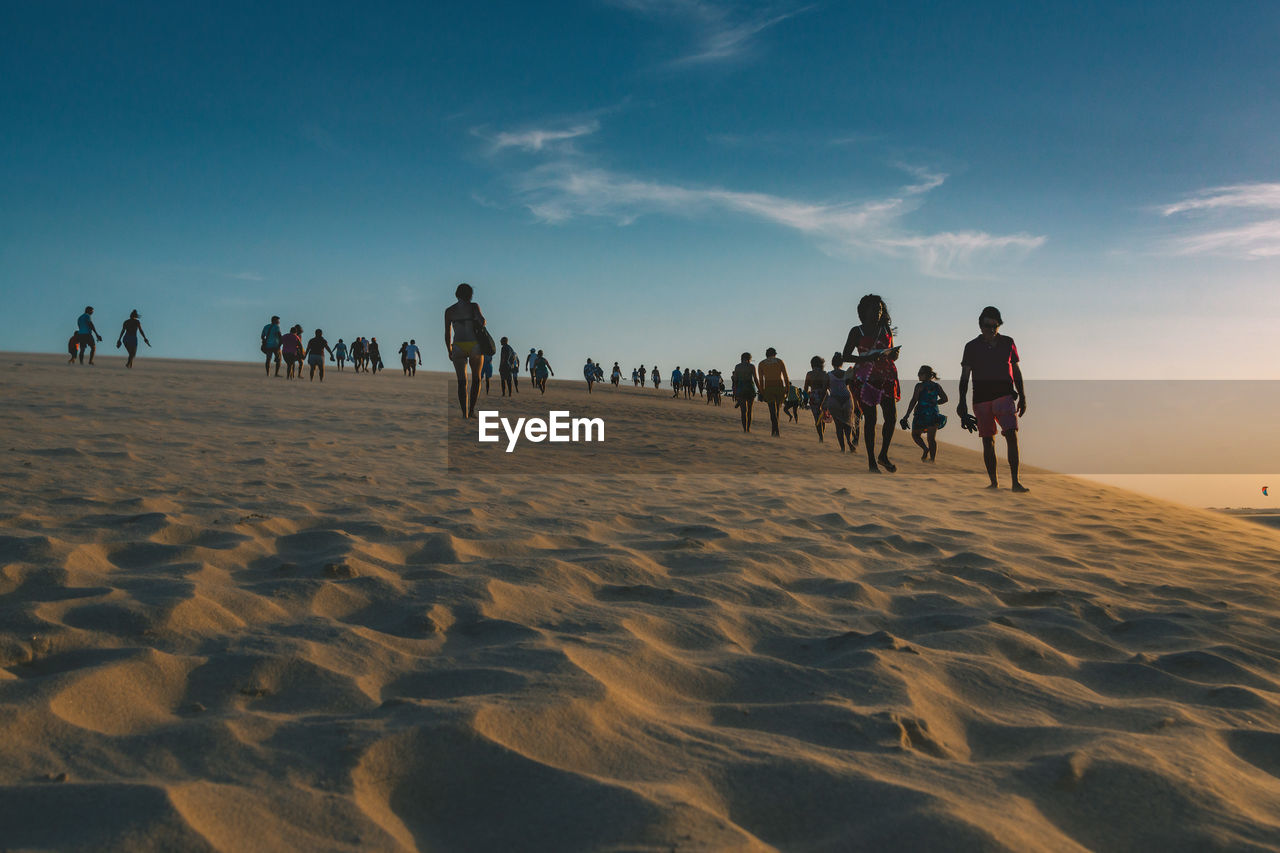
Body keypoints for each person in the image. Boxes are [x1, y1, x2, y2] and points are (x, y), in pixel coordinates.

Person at [958, 306, 1028, 491]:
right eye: (987, 326)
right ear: (980, 326)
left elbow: (1016, 370)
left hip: (1004, 395)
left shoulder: (1008, 342)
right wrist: (961, 402)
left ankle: (1015, 482)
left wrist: (1022, 395)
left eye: (995, 326)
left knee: (1011, 435)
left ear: (999, 325)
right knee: (988, 440)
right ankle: (994, 483)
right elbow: (965, 376)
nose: (991, 329)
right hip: (981, 398)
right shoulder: (971, 347)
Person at [843, 294, 901, 473]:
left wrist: (894, 355)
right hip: (865, 378)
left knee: (891, 417)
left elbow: (891, 352)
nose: (878, 313)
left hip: (886, 376)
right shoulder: (856, 331)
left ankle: (883, 455)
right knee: (871, 420)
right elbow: (846, 355)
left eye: (880, 310)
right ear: (865, 311)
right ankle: (871, 462)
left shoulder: (886, 330)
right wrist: (868, 356)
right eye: (874, 309)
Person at [445, 283, 487, 417]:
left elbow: (447, 333)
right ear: (470, 294)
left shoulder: (449, 310)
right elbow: (483, 321)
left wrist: (449, 349)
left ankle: (464, 413)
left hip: (458, 345)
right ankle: (472, 410)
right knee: (476, 379)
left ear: (457, 294)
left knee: (462, 381)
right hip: (474, 344)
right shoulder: (474, 306)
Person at [901, 365, 949, 462]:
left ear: (926, 375)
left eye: (920, 373)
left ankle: (926, 450)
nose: (918, 375)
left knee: (915, 435)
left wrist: (907, 415)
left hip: (921, 414)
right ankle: (932, 460)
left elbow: (914, 400)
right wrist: (935, 403)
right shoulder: (936, 386)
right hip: (933, 414)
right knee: (931, 439)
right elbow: (945, 399)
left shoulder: (919, 386)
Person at [824, 353, 859, 452]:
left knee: (838, 426)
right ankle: (849, 442)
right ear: (842, 363)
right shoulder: (847, 373)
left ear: (832, 363)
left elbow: (824, 390)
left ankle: (842, 448)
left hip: (834, 400)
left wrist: (823, 404)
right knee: (847, 425)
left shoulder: (828, 375)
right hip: (847, 399)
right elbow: (851, 387)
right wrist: (857, 403)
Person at [757, 347, 791, 436]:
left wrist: (761, 391)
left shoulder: (761, 363)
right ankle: (775, 431)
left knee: (772, 411)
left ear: (766, 354)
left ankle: (774, 431)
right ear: (775, 354)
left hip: (768, 389)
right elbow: (785, 376)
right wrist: (787, 388)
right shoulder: (779, 361)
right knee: (777, 411)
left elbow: (761, 380)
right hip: (779, 388)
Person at [804, 356, 830, 444]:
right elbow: (826, 387)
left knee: (817, 418)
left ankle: (821, 437)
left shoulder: (809, 374)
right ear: (821, 364)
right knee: (823, 416)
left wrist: (809, 394)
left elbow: (805, 388)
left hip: (814, 396)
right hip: (824, 396)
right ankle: (822, 435)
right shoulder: (825, 374)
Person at [732, 353, 759, 433]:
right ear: (749, 358)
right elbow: (755, 379)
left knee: (743, 411)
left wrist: (735, 392)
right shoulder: (751, 366)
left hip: (741, 388)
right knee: (750, 410)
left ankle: (744, 429)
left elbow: (735, 380)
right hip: (750, 388)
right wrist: (760, 389)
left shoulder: (737, 366)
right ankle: (748, 428)